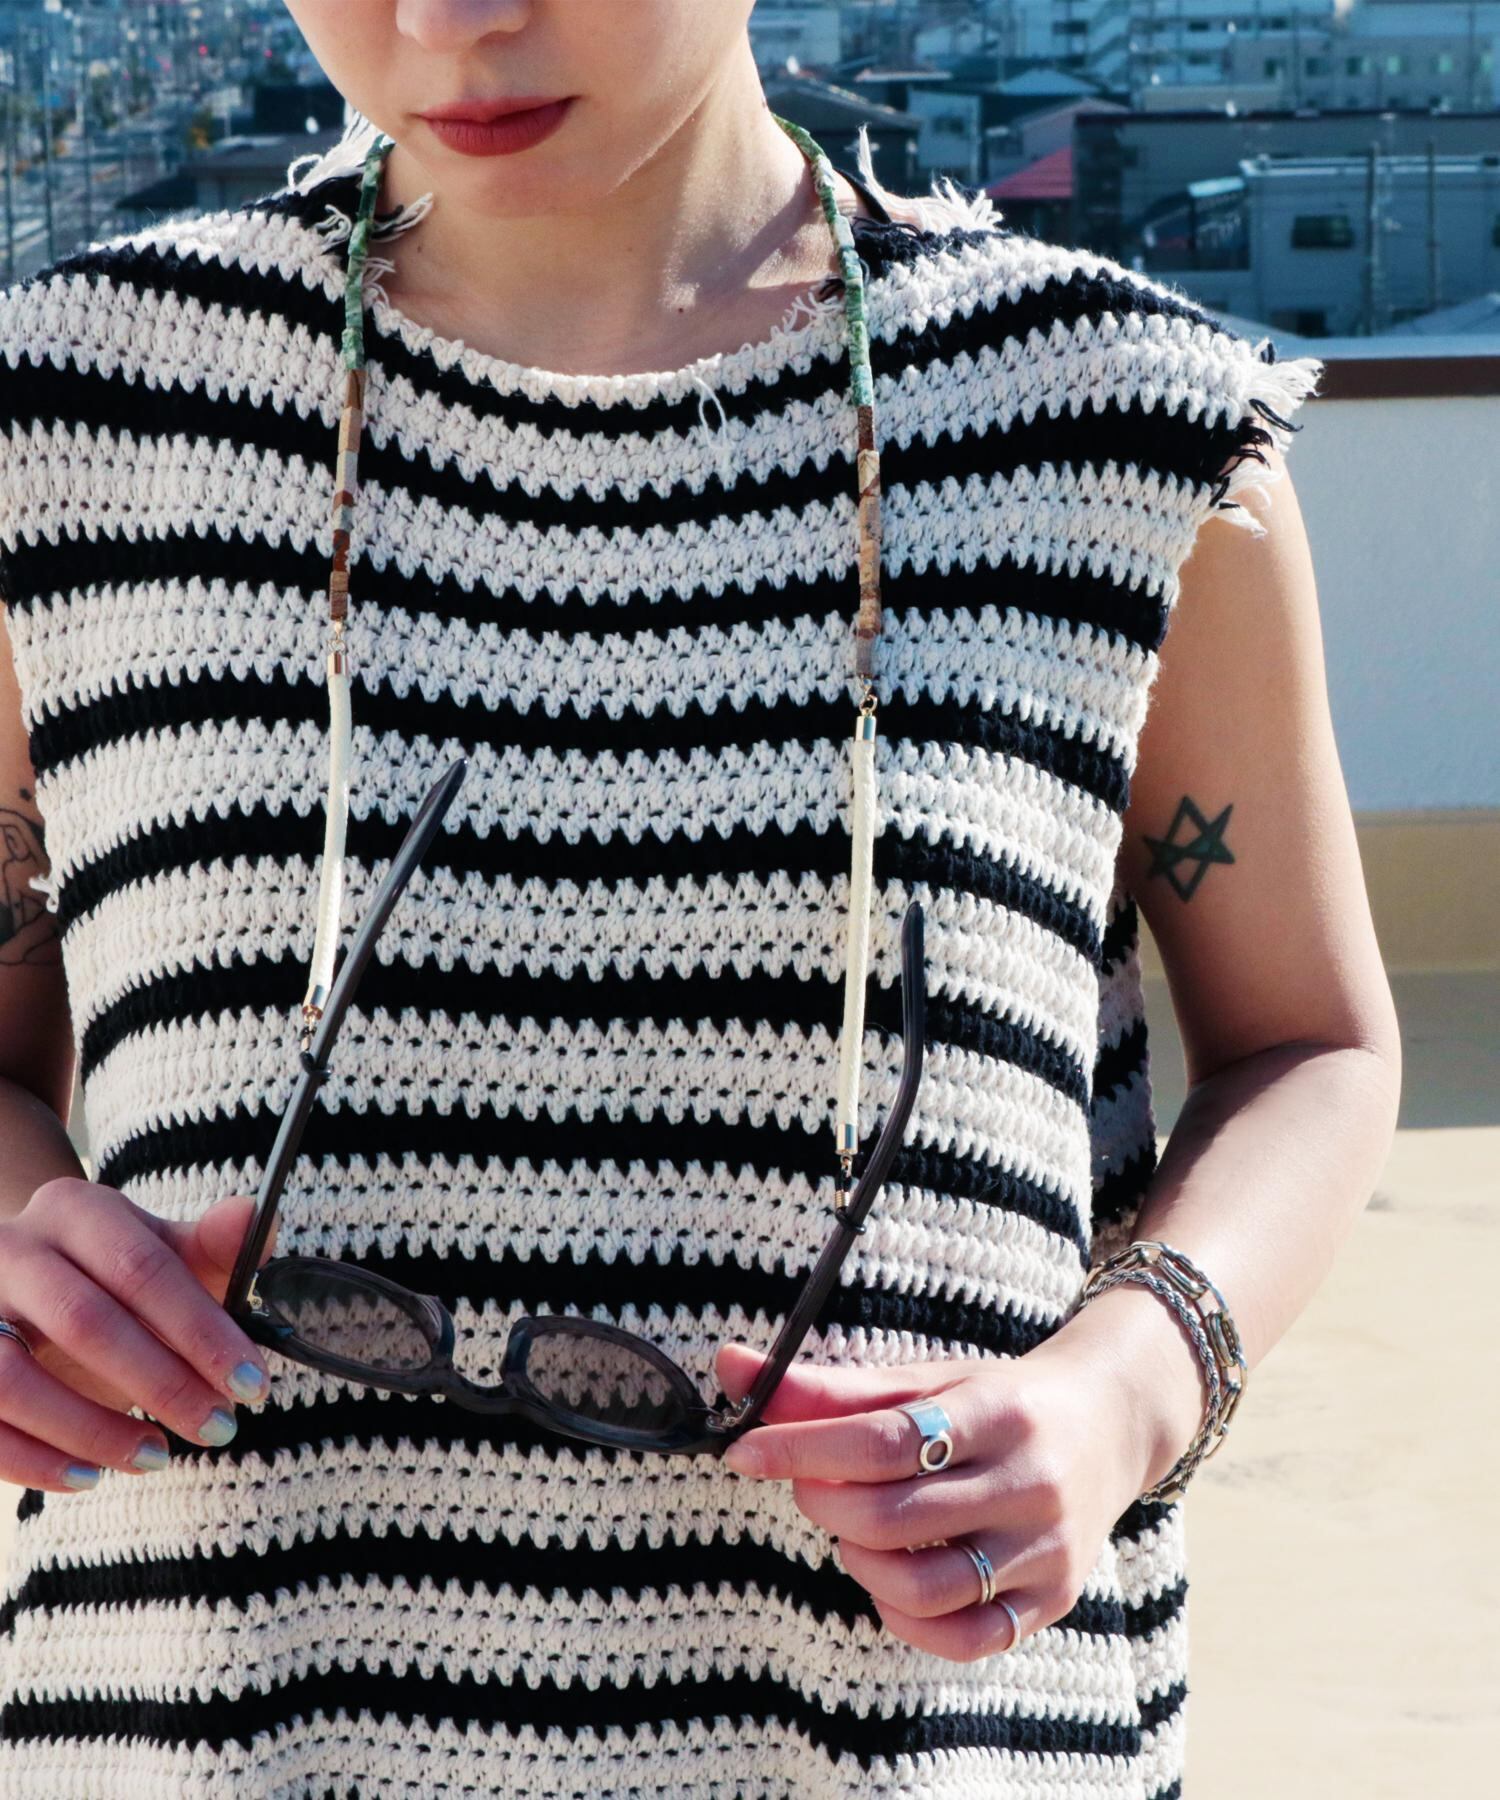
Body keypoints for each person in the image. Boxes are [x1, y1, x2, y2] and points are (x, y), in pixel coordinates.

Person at [0, 3, 1401, 1795]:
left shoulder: (1117, 429)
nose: (449, 22)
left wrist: (1129, 1389)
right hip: (205, 1727)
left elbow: (1311, 1042)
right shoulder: (74, 418)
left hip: (915, 1735)